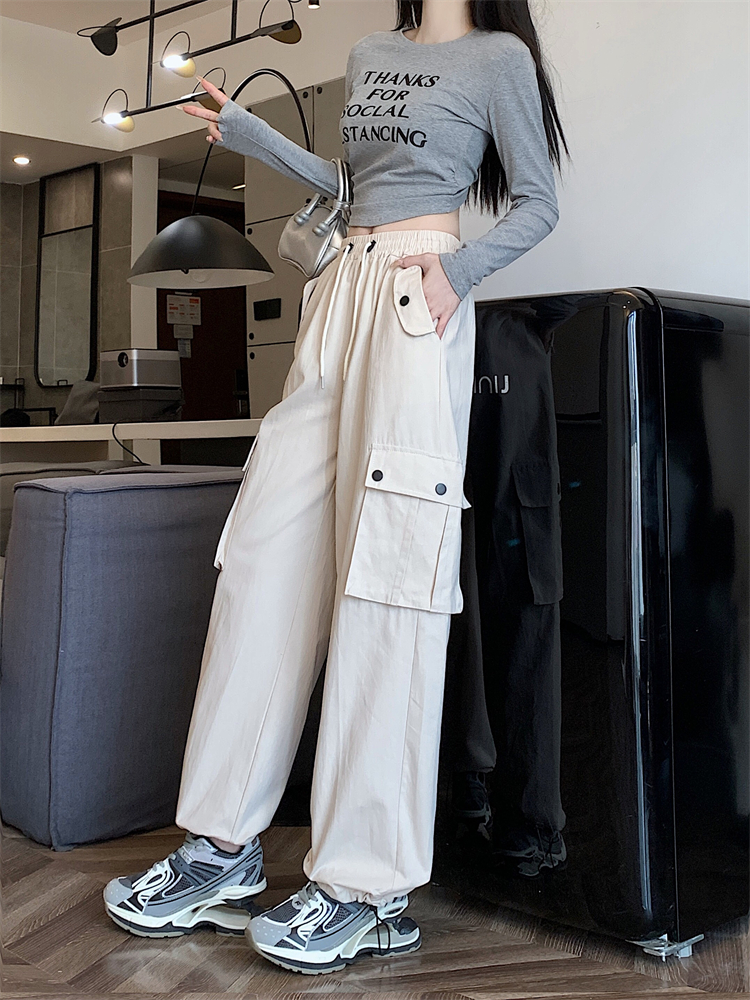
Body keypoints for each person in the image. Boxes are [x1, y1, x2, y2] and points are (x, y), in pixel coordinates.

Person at [103, 0, 569, 975]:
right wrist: (253, 136)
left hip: (413, 302)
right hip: (337, 295)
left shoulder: (498, 60)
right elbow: (355, 185)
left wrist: (455, 275)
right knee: (264, 561)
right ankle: (221, 847)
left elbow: (538, 201)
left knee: (386, 587)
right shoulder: (370, 51)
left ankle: (367, 885)